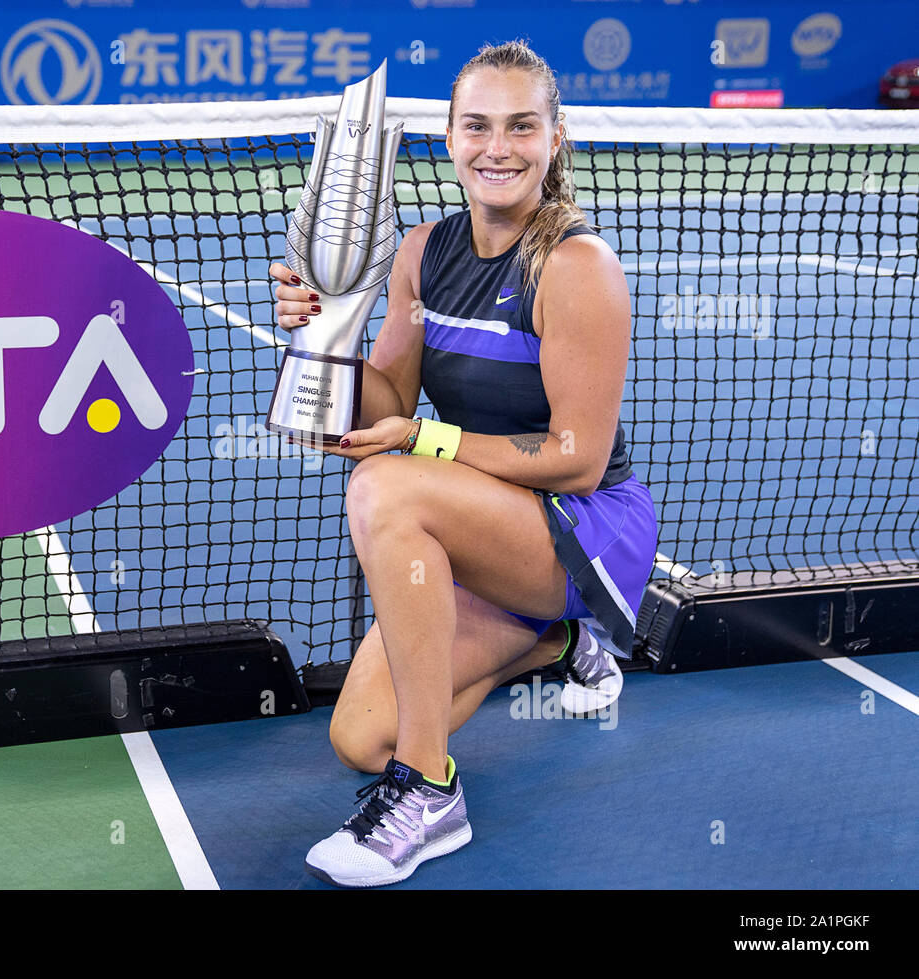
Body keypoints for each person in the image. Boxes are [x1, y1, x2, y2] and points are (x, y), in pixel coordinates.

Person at [268, 40, 658, 888]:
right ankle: (557, 645)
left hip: (585, 530)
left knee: (384, 486)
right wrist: (324, 329)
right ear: (448, 138)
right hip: (488, 510)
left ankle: (429, 790)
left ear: (557, 138)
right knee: (357, 738)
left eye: (522, 127)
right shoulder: (423, 253)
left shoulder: (576, 266)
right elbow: (382, 402)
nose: (499, 147)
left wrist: (425, 442)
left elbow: (577, 460)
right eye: (477, 126)